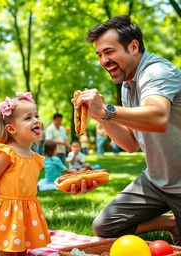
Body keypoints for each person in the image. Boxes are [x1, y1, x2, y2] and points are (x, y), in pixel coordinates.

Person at [72, 15, 181, 244]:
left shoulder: (156, 72)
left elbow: (158, 116)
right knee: (104, 227)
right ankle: (169, 222)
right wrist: (99, 116)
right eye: (99, 55)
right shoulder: (127, 85)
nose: (103, 60)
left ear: (133, 47)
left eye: (109, 52)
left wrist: (105, 110)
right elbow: (131, 144)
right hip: (156, 182)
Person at [0, 92, 51, 255]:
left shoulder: (33, 156)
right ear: (11, 128)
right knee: (7, 251)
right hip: (7, 212)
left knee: (22, 250)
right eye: (28, 118)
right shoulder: (7, 153)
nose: (36, 120)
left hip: (27, 211)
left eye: (36, 115)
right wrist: (0, 203)